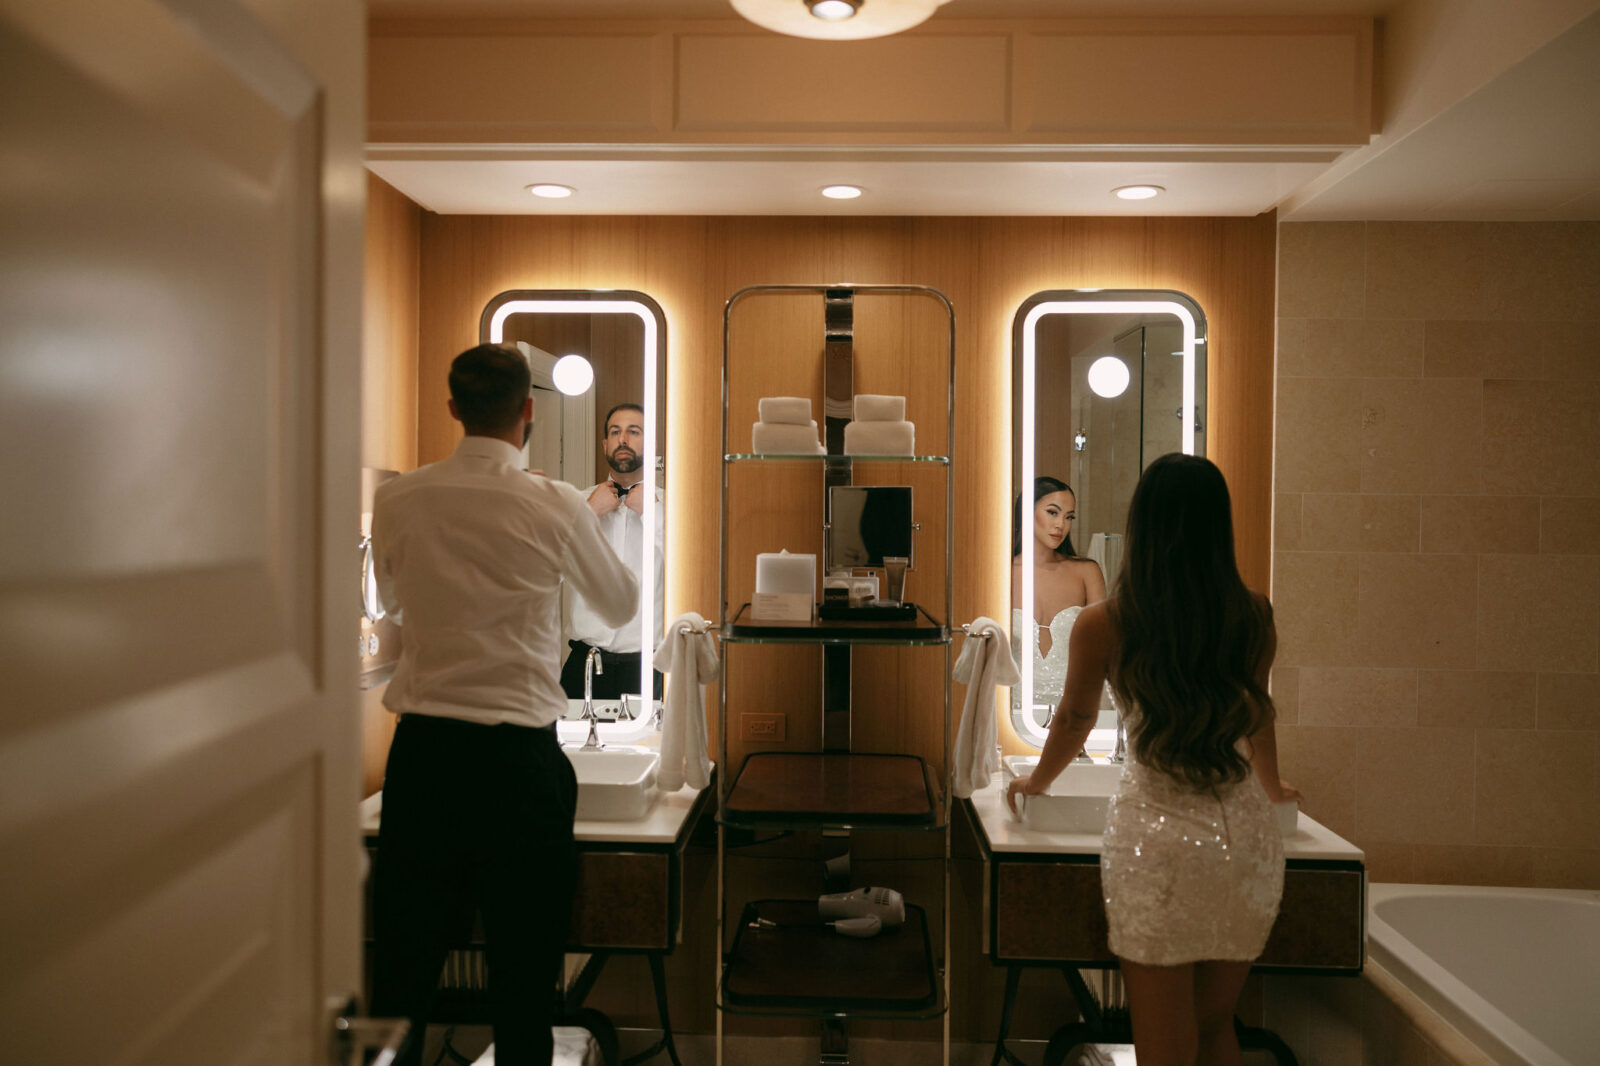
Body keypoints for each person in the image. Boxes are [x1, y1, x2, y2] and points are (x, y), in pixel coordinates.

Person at [369, 344, 638, 1066]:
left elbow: (389, 600)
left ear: (453, 409)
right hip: (518, 766)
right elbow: (620, 602)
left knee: (403, 976)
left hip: (424, 759)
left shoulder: (396, 498)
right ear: (528, 411)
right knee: (524, 982)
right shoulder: (551, 504)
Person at [1006, 454, 1301, 1066]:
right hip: (1243, 839)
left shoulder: (1108, 622)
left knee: (1163, 1045)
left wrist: (1037, 780)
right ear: (1218, 527)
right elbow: (1259, 714)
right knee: (1218, 1025)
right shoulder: (1253, 615)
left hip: (1158, 842)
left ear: (1143, 528)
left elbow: (1074, 721)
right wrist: (1272, 789)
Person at [560, 401, 665, 701]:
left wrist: (653, 514)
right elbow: (546, 575)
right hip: (584, 665)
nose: (623, 439)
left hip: (649, 669)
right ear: (605, 443)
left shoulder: (672, 507)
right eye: (615, 432)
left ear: (651, 442)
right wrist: (587, 515)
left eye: (634, 432)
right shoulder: (575, 504)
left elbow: (692, 573)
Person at [1010, 476, 1106, 709]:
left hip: (1076, 706)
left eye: (1069, 517)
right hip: (1011, 711)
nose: (1061, 525)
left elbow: (1103, 650)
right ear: (1026, 512)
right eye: (1053, 512)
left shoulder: (1086, 572)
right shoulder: (1001, 573)